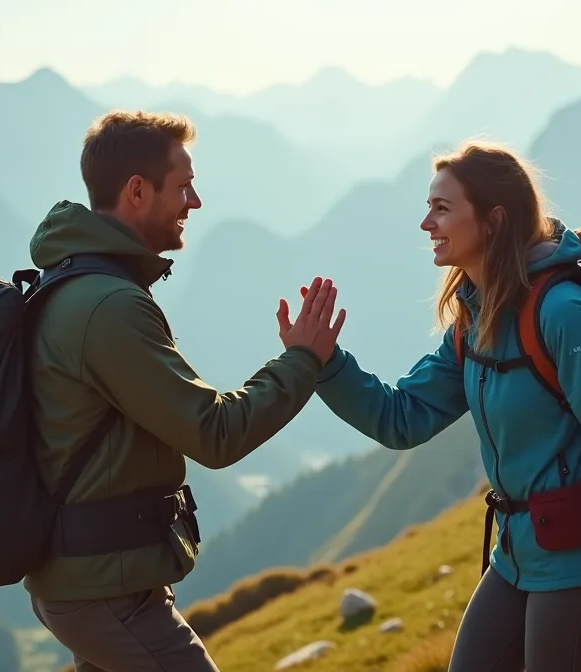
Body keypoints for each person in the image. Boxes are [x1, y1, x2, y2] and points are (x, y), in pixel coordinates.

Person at [298, 141, 581, 671]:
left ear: (493, 220)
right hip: (515, 556)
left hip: (580, 562)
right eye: (429, 207)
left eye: (442, 208)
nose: (426, 223)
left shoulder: (565, 315)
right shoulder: (475, 321)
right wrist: (326, 362)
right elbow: (401, 418)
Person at [22, 110, 347, 671]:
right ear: (137, 191)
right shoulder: (108, 306)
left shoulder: (77, 280)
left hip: (93, 578)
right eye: (184, 187)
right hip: (106, 589)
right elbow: (215, 434)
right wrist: (302, 360)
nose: (194, 202)